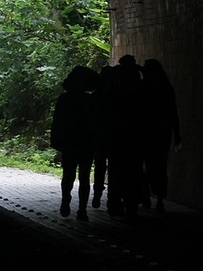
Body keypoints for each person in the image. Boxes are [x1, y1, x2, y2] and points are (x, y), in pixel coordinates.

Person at [49, 65, 98, 222]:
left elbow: (57, 122)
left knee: (68, 174)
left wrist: (56, 140)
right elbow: (95, 124)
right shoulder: (90, 100)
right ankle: (82, 210)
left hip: (69, 142)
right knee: (84, 177)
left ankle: (65, 200)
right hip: (86, 143)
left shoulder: (64, 99)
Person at [105, 54, 145, 221]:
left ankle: (115, 204)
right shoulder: (140, 88)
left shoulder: (114, 89)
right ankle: (131, 205)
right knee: (134, 172)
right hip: (135, 137)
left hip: (116, 138)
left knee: (116, 172)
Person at [140, 58, 183, 214]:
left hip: (145, 131)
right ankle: (159, 199)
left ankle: (145, 192)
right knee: (160, 165)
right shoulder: (166, 88)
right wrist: (177, 133)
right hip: (162, 133)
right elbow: (173, 113)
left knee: (144, 164)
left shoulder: (143, 88)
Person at [91, 64, 113, 209]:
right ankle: (112, 196)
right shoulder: (117, 94)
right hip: (114, 136)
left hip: (98, 136)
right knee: (114, 166)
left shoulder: (95, 95)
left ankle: (98, 194)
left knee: (99, 165)